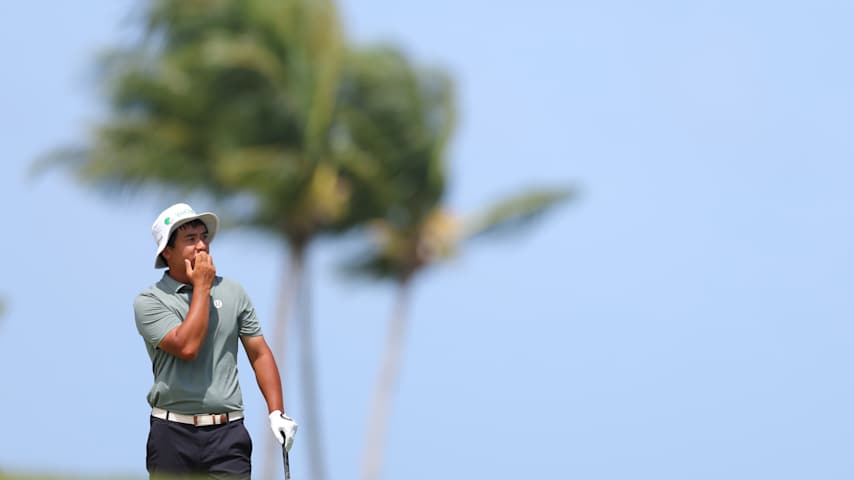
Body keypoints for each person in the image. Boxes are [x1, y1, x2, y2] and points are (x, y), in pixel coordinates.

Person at [134, 203, 297, 479]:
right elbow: (187, 347)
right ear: (167, 252)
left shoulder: (233, 292)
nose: (201, 246)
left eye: (204, 237)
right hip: (172, 434)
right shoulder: (150, 301)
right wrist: (202, 287)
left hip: (228, 434)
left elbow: (259, 353)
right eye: (190, 239)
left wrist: (276, 411)